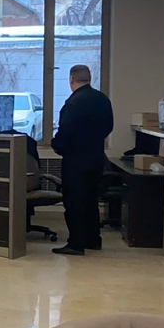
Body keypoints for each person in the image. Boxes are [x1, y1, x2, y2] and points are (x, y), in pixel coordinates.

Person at [50, 65, 114, 255]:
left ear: (71, 79)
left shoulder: (73, 103)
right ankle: (93, 239)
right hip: (96, 158)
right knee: (91, 201)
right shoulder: (102, 99)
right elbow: (108, 127)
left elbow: (65, 133)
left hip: (75, 161)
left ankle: (76, 243)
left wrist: (57, 145)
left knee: (74, 202)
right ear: (89, 78)